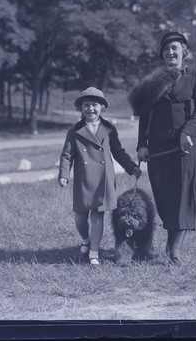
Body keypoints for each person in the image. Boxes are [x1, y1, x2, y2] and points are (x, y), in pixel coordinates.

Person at [128, 32, 196, 266]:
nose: (170, 52)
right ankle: (171, 241)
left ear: (184, 51)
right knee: (164, 197)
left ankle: (174, 250)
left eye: (175, 48)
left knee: (183, 195)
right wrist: (142, 145)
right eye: (166, 49)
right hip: (158, 146)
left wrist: (186, 132)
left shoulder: (194, 76)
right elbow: (145, 114)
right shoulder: (154, 80)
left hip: (186, 146)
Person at [58, 87, 142, 266]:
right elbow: (66, 155)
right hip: (83, 180)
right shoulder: (74, 130)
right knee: (80, 219)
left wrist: (131, 167)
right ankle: (86, 240)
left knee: (98, 216)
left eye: (94, 105)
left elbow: (119, 152)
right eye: (86, 105)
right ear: (81, 108)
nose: (90, 109)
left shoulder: (109, 129)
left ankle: (94, 253)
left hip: (103, 179)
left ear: (102, 107)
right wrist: (64, 175)